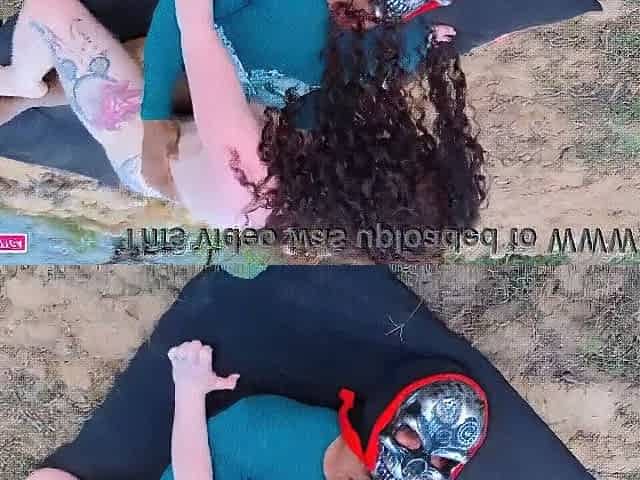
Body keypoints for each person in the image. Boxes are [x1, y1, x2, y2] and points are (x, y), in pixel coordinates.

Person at [0, 0, 486, 259]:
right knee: (144, 75)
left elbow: (194, 24)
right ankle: (34, 94)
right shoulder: (319, 196)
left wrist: (154, 116)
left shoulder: (248, 158)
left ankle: (21, 82)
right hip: (207, 156)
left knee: (51, 11)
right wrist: (414, 45)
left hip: (149, 152)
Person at [27, 340, 489, 480]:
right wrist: (189, 390)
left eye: (443, 462)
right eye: (415, 439)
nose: (423, 465)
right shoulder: (268, 429)